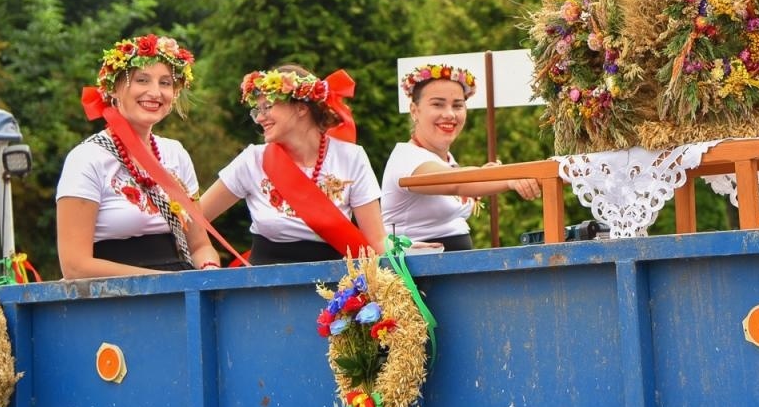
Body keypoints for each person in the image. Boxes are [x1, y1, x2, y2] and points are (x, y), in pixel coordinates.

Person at [57, 34, 222, 277]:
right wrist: (167, 283)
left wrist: (209, 272)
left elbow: (200, 246)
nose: (155, 92)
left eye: (165, 83)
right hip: (116, 293)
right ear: (114, 88)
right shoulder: (87, 159)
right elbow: (75, 266)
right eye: (142, 80)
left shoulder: (175, 153)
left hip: (179, 287)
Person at [198, 65, 387, 264]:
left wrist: (402, 259)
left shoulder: (350, 157)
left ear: (301, 107)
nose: (259, 118)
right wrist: (207, 260)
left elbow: (376, 240)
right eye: (257, 110)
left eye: (267, 107)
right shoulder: (252, 160)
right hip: (265, 280)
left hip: (336, 280)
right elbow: (193, 219)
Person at [380, 64, 542, 250]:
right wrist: (509, 178)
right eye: (437, 104)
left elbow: (462, 179)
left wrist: (487, 175)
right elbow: (456, 183)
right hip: (416, 267)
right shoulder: (406, 158)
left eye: (457, 105)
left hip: (453, 264)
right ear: (414, 111)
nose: (449, 114)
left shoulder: (448, 160)